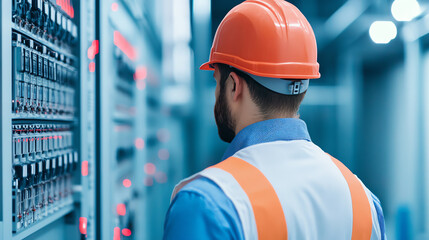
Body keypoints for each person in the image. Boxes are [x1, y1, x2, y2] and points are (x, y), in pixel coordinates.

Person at [163, 0, 386, 239]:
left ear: (234, 86)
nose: (216, 94)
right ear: (303, 87)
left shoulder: (208, 204)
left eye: (217, 82)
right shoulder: (364, 201)